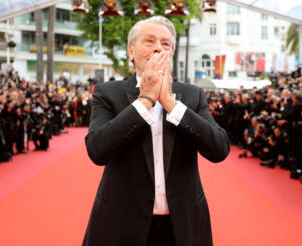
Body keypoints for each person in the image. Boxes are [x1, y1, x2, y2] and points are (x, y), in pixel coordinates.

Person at [83, 16, 230, 246]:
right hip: (122, 222)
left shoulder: (192, 95)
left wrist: (171, 104)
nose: (158, 48)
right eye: (149, 41)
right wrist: (145, 100)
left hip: (182, 224)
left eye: (165, 43)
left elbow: (219, 148)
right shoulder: (107, 93)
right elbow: (97, 150)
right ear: (131, 52)